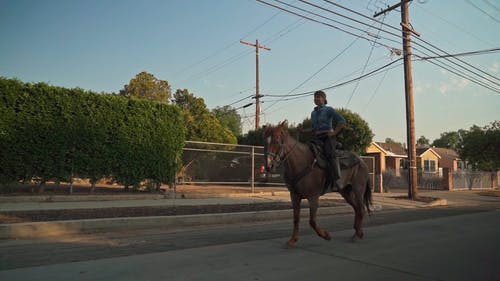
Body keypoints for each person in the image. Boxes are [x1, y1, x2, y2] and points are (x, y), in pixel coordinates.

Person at [303, 90, 346, 191]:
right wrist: (303, 130)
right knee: (308, 152)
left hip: (328, 137)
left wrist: (334, 132)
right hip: (317, 138)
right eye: (315, 97)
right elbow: (313, 128)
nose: (316, 99)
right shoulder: (313, 113)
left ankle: (337, 180)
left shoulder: (329, 110)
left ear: (324, 99)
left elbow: (342, 121)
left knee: (330, 154)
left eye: (318, 97)